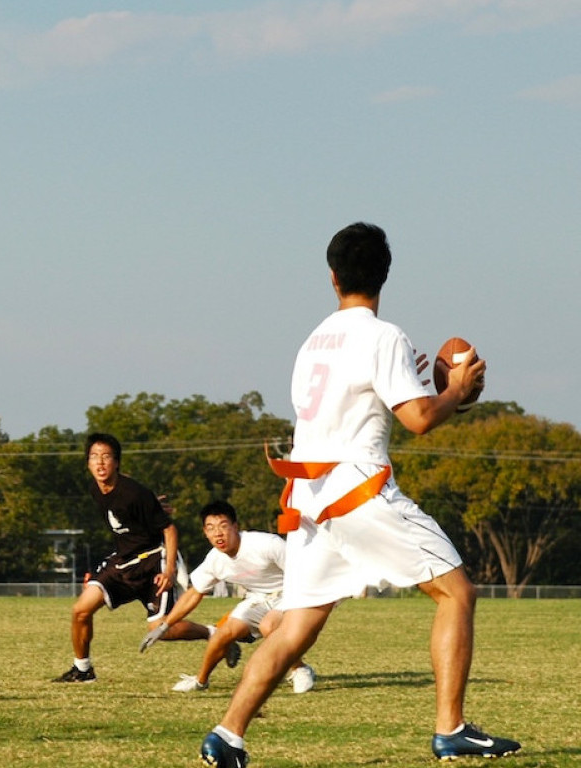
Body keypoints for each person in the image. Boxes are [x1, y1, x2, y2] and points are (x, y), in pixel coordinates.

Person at [199, 223, 518, 767]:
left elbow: (345, 403)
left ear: (333, 276)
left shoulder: (313, 341)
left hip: (309, 499)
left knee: (296, 627)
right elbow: (418, 419)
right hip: (358, 490)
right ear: (385, 275)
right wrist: (455, 392)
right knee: (457, 594)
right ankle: (451, 730)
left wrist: (412, 381)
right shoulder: (383, 335)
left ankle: (227, 735)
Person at [53, 433, 208, 683]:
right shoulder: (95, 489)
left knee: (160, 630)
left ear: (117, 462)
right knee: (80, 610)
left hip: (152, 562)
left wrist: (169, 571)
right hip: (123, 561)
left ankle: (213, 633)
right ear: (87, 462)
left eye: (106, 456)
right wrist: (152, 506)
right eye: (94, 456)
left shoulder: (135, 493)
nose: (100, 462)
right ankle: (83, 670)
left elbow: (169, 529)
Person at [141, 501, 313, 694]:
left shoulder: (267, 544)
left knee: (268, 625)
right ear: (205, 533)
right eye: (211, 528)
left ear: (235, 527)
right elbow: (194, 593)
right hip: (258, 598)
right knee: (222, 634)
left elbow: (303, 571)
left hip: (292, 592)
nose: (218, 534)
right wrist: (165, 625)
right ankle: (200, 681)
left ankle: (300, 669)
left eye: (223, 526)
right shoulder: (215, 560)